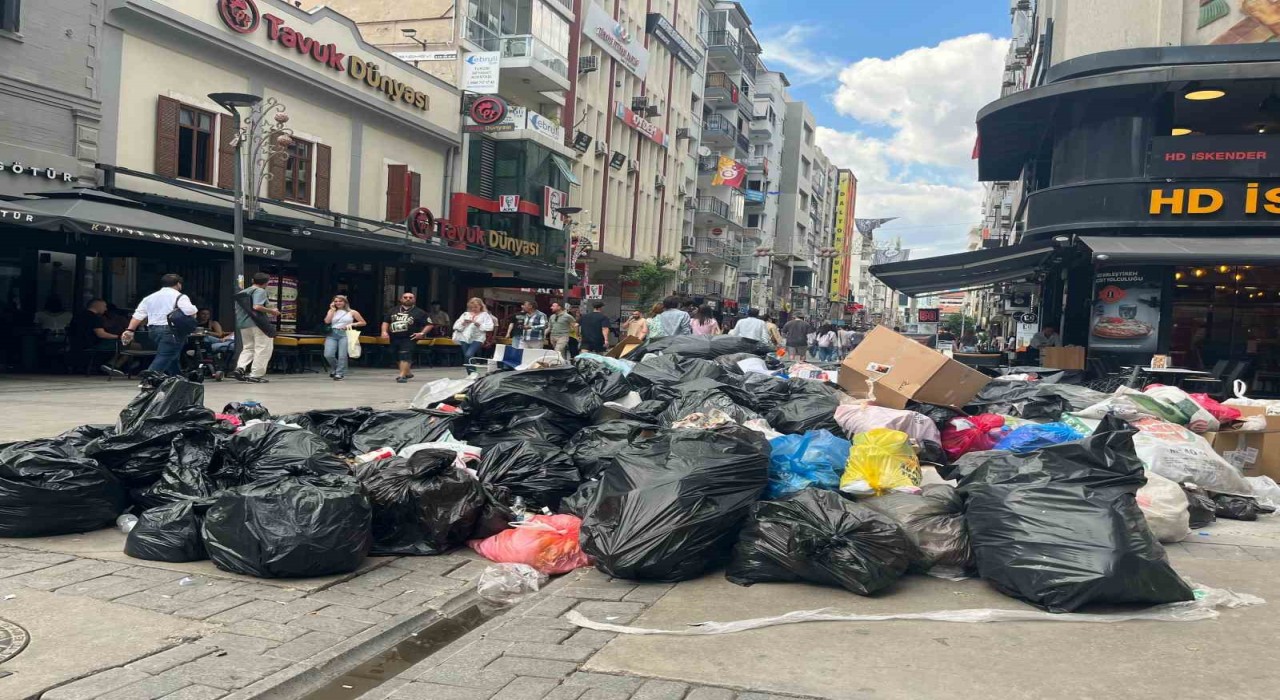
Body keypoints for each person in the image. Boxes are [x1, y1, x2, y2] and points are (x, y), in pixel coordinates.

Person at [121, 273, 197, 378]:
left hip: (153, 331)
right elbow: (190, 311)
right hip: (172, 331)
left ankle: (177, 377)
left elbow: (138, 315)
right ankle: (149, 380)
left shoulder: (149, 298)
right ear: (178, 284)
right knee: (165, 355)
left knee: (171, 355)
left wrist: (130, 330)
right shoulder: (180, 296)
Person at [232, 272, 281, 383]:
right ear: (266, 283)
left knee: (248, 347)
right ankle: (255, 374)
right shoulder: (260, 291)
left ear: (252, 281)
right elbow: (257, 306)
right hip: (258, 324)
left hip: (243, 325)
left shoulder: (242, 292)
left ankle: (240, 368)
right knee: (263, 349)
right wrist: (272, 311)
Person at [381, 291, 432, 383]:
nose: (408, 299)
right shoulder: (393, 310)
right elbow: (386, 322)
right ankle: (407, 372)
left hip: (409, 337)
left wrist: (421, 333)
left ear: (414, 300)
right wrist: (384, 332)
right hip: (394, 337)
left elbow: (429, 324)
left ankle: (402, 376)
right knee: (394, 354)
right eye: (405, 297)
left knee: (405, 354)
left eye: (410, 297)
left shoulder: (420, 312)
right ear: (401, 299)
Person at [323, 295, 366, 381]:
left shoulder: (352, 312)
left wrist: (352, 324)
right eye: (336, 301)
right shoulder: (332, 311)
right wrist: (332, 309)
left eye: (340, 301)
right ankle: (335, 368)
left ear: (345, 302)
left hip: (345, 334)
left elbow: (363, 322)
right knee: (328, 354)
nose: (338, 303)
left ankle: (339, 373)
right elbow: (327, 321)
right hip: (332, 333)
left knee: (342, 355)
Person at [453, 297, 496, 374]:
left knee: (468, 354)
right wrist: (463, 323)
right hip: (464, 337)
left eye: (476, 307)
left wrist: (479, 324)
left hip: (478, 338)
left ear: (480, 306)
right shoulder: (465, 314)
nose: (474, 309)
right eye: (471, 307)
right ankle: (471, 374)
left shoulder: (485, 315)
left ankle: (473, 372)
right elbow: (455, 326)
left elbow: (490, 327)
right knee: (467, 356)